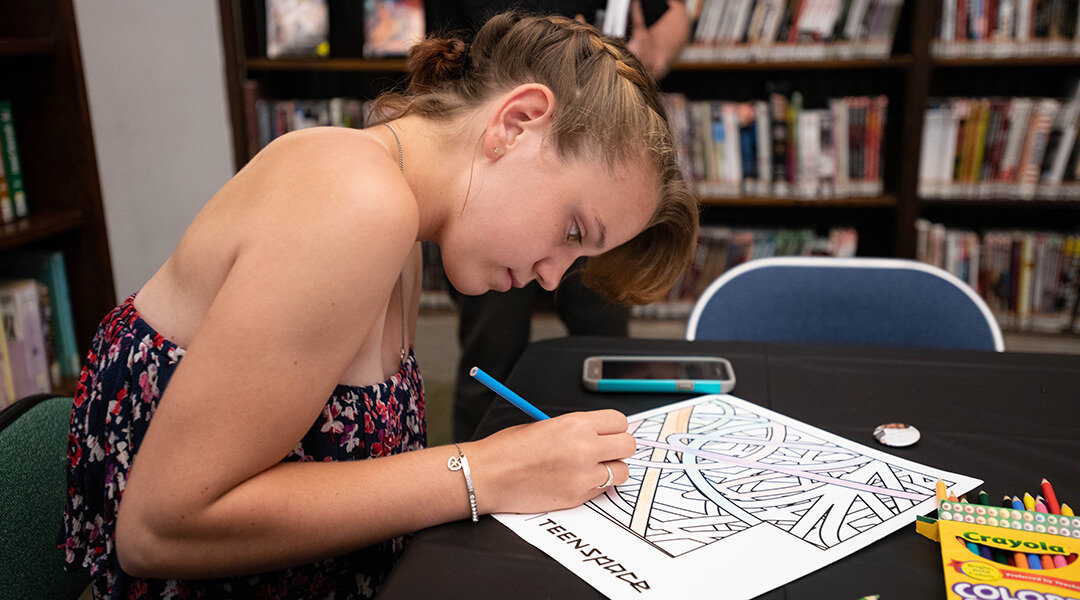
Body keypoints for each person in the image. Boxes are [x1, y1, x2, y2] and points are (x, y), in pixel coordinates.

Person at [61, 11, 699, 600]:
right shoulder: (357, 200)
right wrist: (487, 469)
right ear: (515, 123)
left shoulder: (403, 220)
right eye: (572, 231)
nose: (554, 278)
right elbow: (160, 528)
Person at [428, 0, 692, 442]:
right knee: (492, 349)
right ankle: (477, 444)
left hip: (592, 167)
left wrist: (641, 60)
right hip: (516, 176)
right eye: (573, 234)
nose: (552, 277)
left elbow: (672, 18)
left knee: (603, 340)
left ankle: (608, 436)